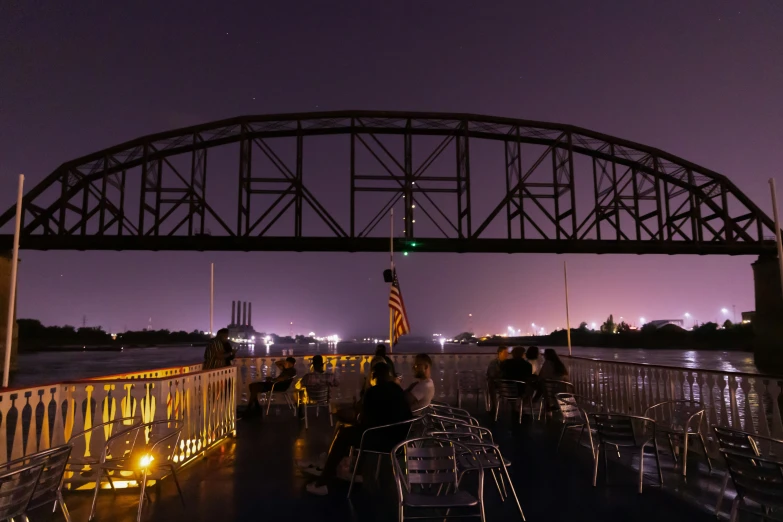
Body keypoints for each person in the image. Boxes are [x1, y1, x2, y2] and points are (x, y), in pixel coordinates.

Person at [305, 362, 412, 496]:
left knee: (343, 434)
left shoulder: (373, 392)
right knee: (351, 433)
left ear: (373, 376)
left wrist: (354, 418)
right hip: (400, 441)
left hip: (381, 441)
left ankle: (324, 480)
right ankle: (354, 469)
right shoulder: (398, 390)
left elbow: (365, 422)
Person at [486, 346, 508, 411]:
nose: (507, 354)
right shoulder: (494, 363)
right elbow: (491, 374)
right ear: (499, 353)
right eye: (505, 352)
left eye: (507, 352)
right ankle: (494, 406)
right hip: (498, 383)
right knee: (491, 383)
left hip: (507, 383)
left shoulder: (508, 362)